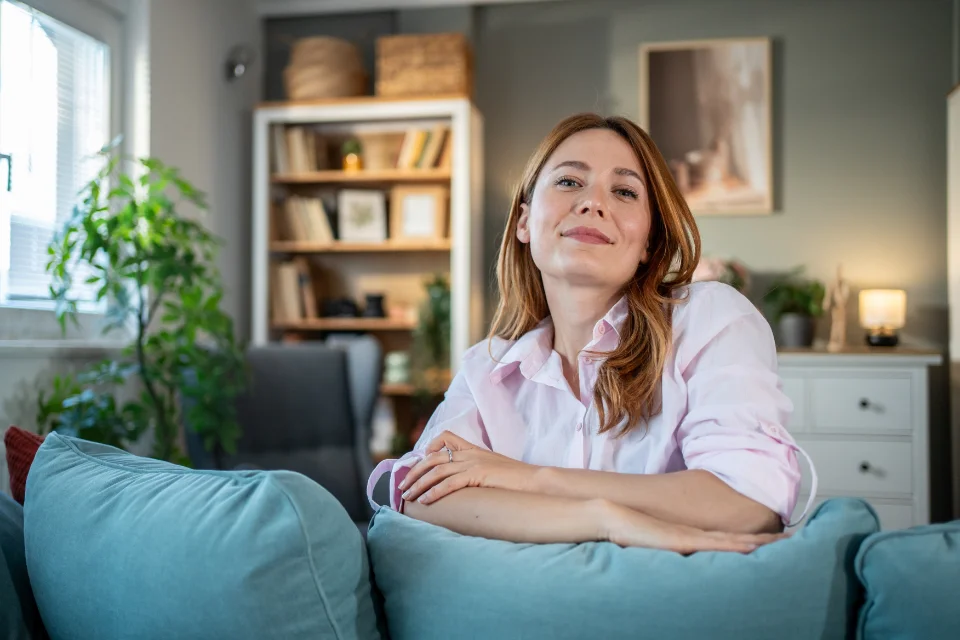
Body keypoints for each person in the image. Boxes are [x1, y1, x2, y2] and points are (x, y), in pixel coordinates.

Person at [366, 113, 816, 555]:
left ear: (648, 244)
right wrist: (605, 520)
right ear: (524, 221)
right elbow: (413, 492)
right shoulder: (487, 370)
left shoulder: (710, 319)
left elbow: (749, 503)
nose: (593, 203)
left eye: (624, 191)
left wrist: (531, 479)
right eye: (568, 182)